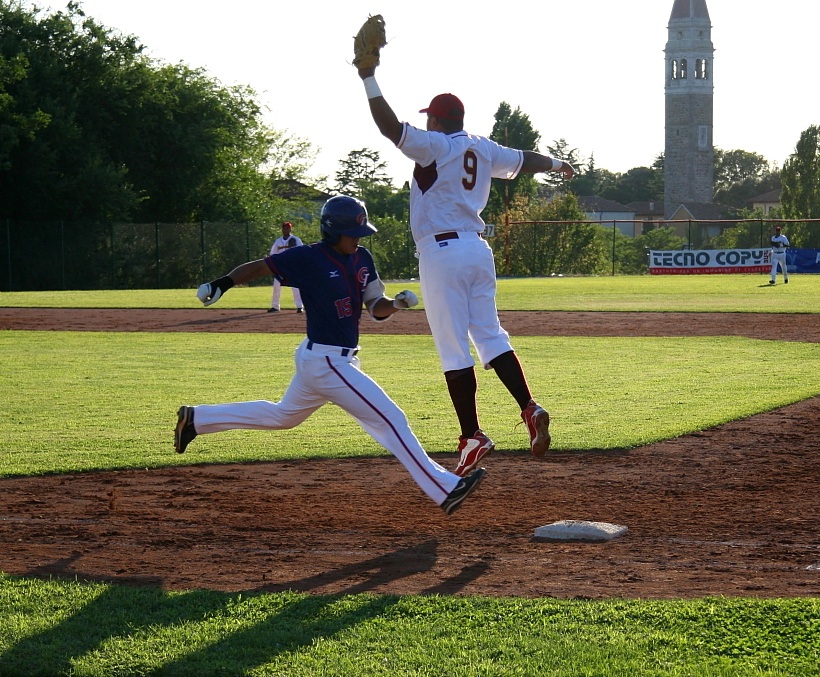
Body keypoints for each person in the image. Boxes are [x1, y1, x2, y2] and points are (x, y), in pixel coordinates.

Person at [173, 195, 485, 515]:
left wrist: (396, 304)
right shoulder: (308, 257)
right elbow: (260, 267)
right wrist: (221, 284)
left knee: (283, 416)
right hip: (325, 362)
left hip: (329, 360)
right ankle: (445, 488)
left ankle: (197, 419)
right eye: (353, 233)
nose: (358, 239)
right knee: (391, 420)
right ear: (332, 231)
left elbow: (375, 307)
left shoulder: (363, 258)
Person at [356, 61, 576, 479]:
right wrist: (556, 163)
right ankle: (530, 408)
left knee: (453, 348)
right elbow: (524, 159)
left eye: (430, 119)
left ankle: (471, 435)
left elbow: (390, 127)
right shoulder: (483, 146)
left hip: (442, 252)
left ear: (436, 120)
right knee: (490, 336)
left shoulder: (436, 145)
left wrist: (367, 77)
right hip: (477, 250)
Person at [269, 221, 304, 313]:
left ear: (290, 229)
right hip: (280, 266)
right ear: (282, 229)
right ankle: (275, 306)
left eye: (288, 228)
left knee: (296, 287)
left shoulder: (296, 240)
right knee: (276, 286)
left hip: (292, 266)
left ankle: (299, 306)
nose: (286, 229)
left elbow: (302, 252)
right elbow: (273, 254)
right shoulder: (278, 241)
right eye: (284, 228)